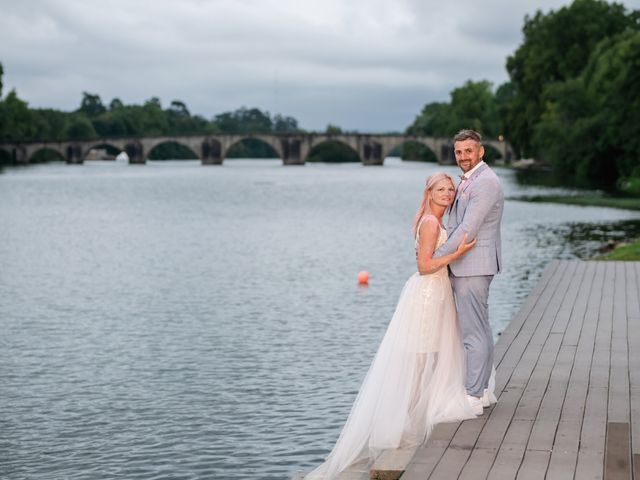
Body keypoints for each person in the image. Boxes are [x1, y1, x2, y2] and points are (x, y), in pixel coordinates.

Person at [304, 172, 481, 480]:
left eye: (450, 189)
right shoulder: (429, 223)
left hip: (437, 293)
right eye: (440, 189)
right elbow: (424, 266)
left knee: (431, 358)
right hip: (427, 294)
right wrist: (458, 253)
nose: (447, 194)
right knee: (422, 358)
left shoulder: (438, 221)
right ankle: (408, 422)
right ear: (428, 192)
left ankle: (416, 416)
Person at [433, 129, 504, 416]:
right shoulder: (470, 180)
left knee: (472, 333)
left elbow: (467, 228)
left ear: (480, 151)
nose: (463, 156)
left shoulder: (485, 182)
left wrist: (436, 257)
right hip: (470, 264)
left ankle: (472, 397)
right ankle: (484, 390)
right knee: (480, 329)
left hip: (472, 266)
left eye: (468, 151)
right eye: (459, 151)